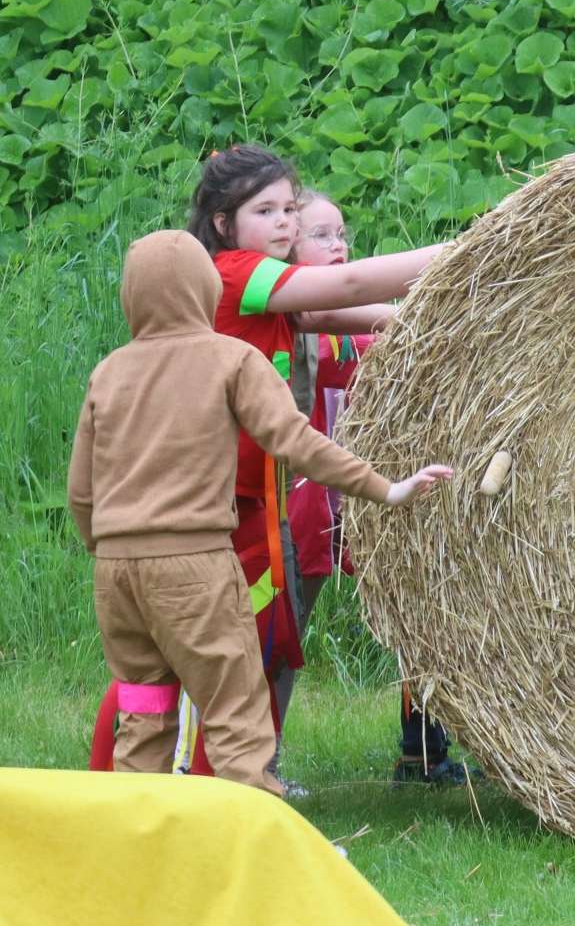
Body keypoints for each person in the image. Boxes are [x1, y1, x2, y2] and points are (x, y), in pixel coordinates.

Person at [68, 230, 452, 796]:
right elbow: (298, 443)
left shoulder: (109, 371)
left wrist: (108, 548)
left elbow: (81, 491)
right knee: (236, 716)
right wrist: (385, 489)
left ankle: (134, 837)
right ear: (205, 290)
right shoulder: (231, 359)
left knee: (144, 713)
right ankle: (252, 838)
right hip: (193, 566)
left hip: (116, 573)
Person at [185, 145, 449, 792]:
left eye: (287, 209)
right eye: (265, 210)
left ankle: (245, 773)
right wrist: (479, 250)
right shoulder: (236, 271)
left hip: (259, 495)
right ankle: (205, 772)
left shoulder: (271, 290)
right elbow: (350, 286)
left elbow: (337, 311)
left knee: (269, 632)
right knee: (236, 637)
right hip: (222, 497)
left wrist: (443, 312)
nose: (283, 222)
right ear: (222, 222)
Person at [282, 189, 472, 786]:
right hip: (307, 496)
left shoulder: (355, 327)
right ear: (288, 247)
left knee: (416, 606)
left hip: (368, 493)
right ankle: (257, 758)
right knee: (284, 627)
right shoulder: (290, 318)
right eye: (320, 235)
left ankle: (423, 750)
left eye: (342, 235)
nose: (337, 245)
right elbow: (327, 320)